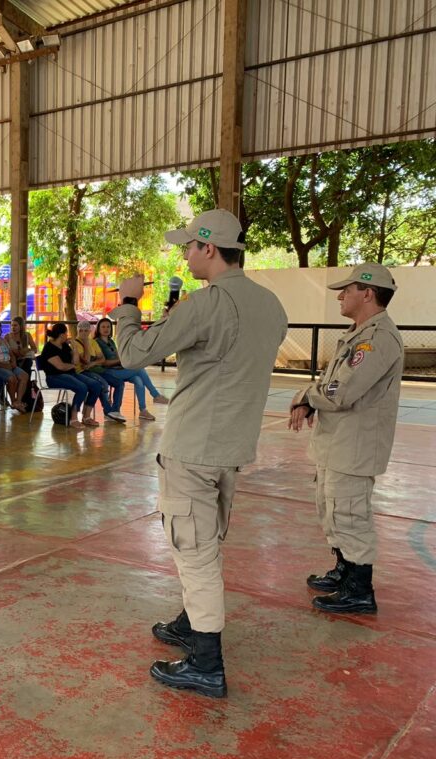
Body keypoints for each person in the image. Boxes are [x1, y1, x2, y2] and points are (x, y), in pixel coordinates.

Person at [109, 209, 287, 698]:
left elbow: (132, 354)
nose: (184, 254)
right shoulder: (270, 305)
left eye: (189, 246)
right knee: (205, 540)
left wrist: (127, 303)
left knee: (194, 550)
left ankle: (206, 662)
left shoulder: (207, 303)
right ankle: (192, 621)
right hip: (231, 445)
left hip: (193, 447)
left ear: (209, 248)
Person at [288, 263, 403, 615]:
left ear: (367, 293)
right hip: (338, 443)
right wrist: (313, 396)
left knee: (350, 515)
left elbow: (340, 391)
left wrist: (307, 396)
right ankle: (345, 570)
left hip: (355, 445)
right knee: (333, 510)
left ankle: (359, 589)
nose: (340, 295)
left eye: (347, 290)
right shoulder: (358, 334)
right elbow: (332, 383)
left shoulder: (377, 339)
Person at [95, 318, 168, 420]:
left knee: (138, 380)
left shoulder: (111, 341)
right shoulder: (97, 342)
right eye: (103, 327)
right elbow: (104, 363)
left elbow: (118, 357)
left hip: (119, 369)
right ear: (98, 329)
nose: (106, 329)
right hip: (108, 372)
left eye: (108, 327)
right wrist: (119, 361)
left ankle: (143, 411)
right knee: (138, 368)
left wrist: (123, 360)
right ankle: (155, 395)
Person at [38, 323, 102, 429]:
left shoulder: (65, 346)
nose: (67, 335)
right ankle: (73, 418)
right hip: (54, 377)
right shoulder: (49, 347)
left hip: (71, 374)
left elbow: (75, 361)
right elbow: (61, 366)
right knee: (82, 387)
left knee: (96, 385)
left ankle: (86, 417)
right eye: (66, 333)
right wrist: (72, 365)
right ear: (62, 334)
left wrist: (74, 348)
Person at [72, 321, 125, 423]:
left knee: (119, 383)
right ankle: (107, 411)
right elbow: (86, 361)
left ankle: (115, 411)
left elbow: (102, 359)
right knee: (101, 385)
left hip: (95, 369)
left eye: (86, 330)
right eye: (81, 330)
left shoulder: (93, 342)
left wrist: (93, 363)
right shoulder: (76, 343)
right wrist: (86, 344)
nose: (83, 333)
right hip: (82, 372)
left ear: (89, 331)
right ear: (77, 331)